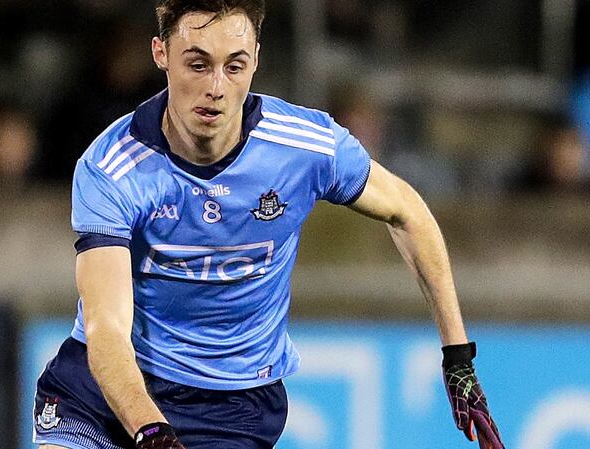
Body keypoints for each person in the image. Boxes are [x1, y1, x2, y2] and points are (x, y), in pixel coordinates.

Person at [33, 1, 505, 448]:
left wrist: (457, 357)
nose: (216, 87)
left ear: (256, 60)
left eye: (234, 66)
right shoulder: (111, 167)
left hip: (232, 409)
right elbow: (107, 328)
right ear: (161, 54)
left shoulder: (306, 147)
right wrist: (151, 432)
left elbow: (407, 212)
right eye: (197, 64)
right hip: (107, 393)